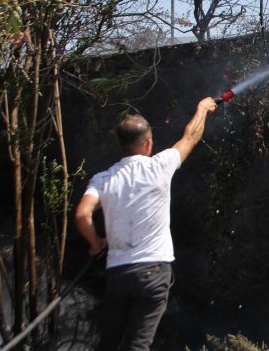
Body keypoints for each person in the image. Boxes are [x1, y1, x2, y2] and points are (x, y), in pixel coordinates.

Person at [75, 97, 218, 351]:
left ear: (119, 144)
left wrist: (96, 243)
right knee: (138, 345)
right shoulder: (159, 166)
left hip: (118, 273)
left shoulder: (103, 179)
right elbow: (191, 137)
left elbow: (82, 215)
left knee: (108, 343)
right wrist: (203, 108)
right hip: (153, 272)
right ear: (149, 143)